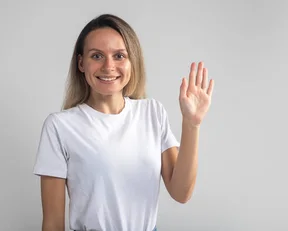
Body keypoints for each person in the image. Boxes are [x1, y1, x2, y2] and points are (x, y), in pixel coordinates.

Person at [32, 13, 215, 231]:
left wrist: (191, 124)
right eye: (97, 56)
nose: (108, 66)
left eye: (119, 56)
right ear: (81, 63)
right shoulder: (59, 127)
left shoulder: (152, 113)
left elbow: (181, 192)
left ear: (132, 61)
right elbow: (52, 224)